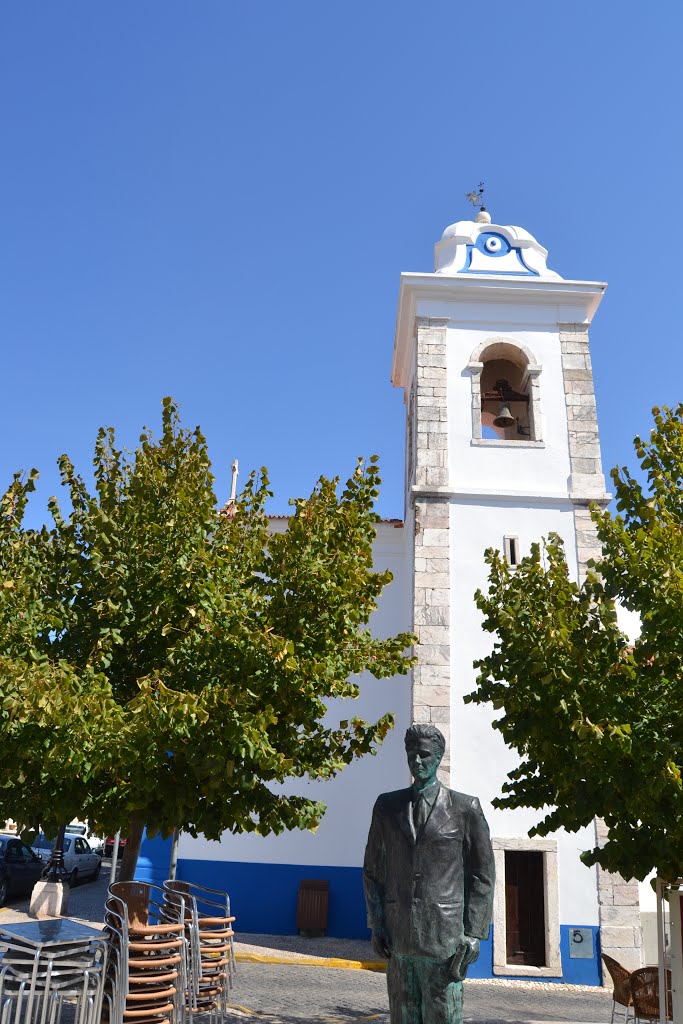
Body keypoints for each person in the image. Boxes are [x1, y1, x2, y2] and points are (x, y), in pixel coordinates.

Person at [363, 724, 495, 1024]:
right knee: (403, 1013)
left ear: (438, 757)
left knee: (443, 1015)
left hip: (445, 939)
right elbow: (373, 870)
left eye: (424, 754)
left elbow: (482, 875)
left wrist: (474, 933)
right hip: (399, 937)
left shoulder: (465, 808)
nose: (417, 761)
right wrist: (378, 923)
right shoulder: (387, 806)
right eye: (412, 754)